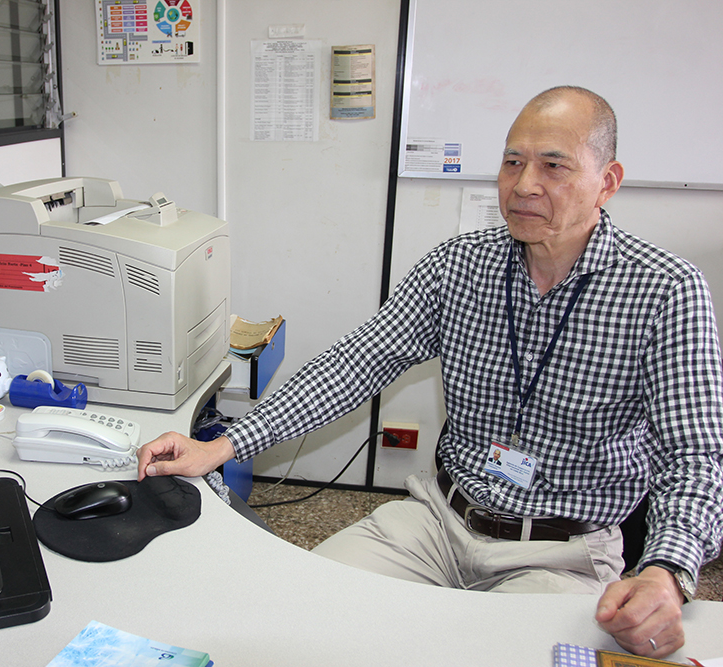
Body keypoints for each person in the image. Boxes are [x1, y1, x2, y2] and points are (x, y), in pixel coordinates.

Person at [136, 86, 723, 658]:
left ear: (608, 182)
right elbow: (356, 362)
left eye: (553, 166)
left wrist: (667, 573)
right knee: (296, 620)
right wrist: (226, 444)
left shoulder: (665, 291)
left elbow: (695, 459)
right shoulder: (461, 264)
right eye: (512, 161)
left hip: (563, 554)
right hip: (440, 519)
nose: (523, 185)